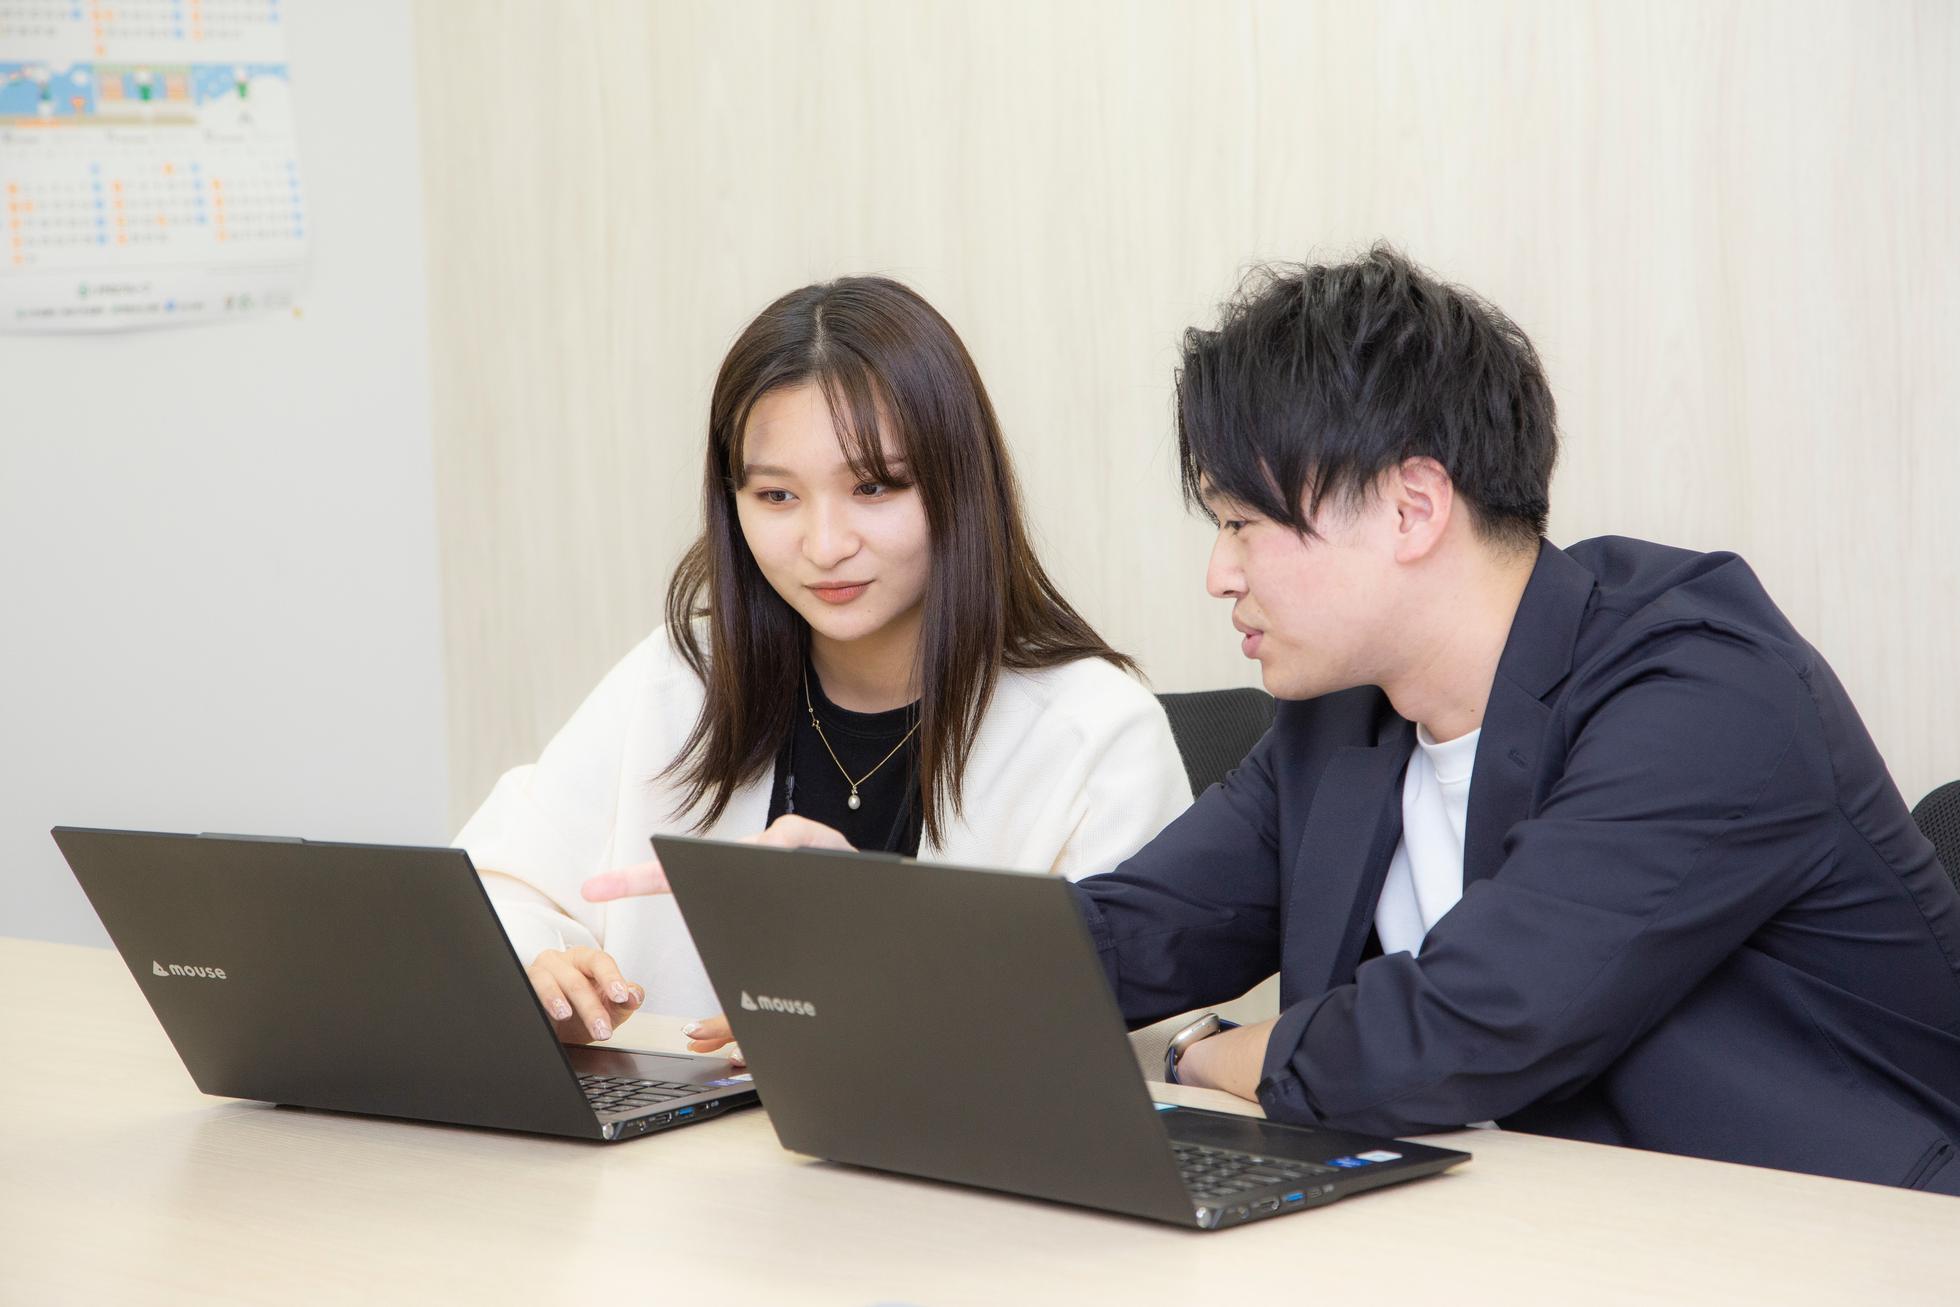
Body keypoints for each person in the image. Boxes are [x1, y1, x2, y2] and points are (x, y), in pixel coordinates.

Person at [1065, 245, 1960, 1192]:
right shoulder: (1338, 720)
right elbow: (1133, 933)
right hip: (1511, 1226)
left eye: (1243, 522)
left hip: (1838, 1233)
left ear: (1412, 508)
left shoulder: (1706, 689)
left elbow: (1463, 1025)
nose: (1220, 574)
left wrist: (1206, 1053)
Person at [457, 276, 1192, 1047]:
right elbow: (493, 887)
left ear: (959, 485)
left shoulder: (1097, 732)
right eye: (777, 496)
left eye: (873, 486)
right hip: (692, 1127)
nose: (825, 544)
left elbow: (1135, 1048)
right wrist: (540, 962)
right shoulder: (681, 676)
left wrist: (874, 962)